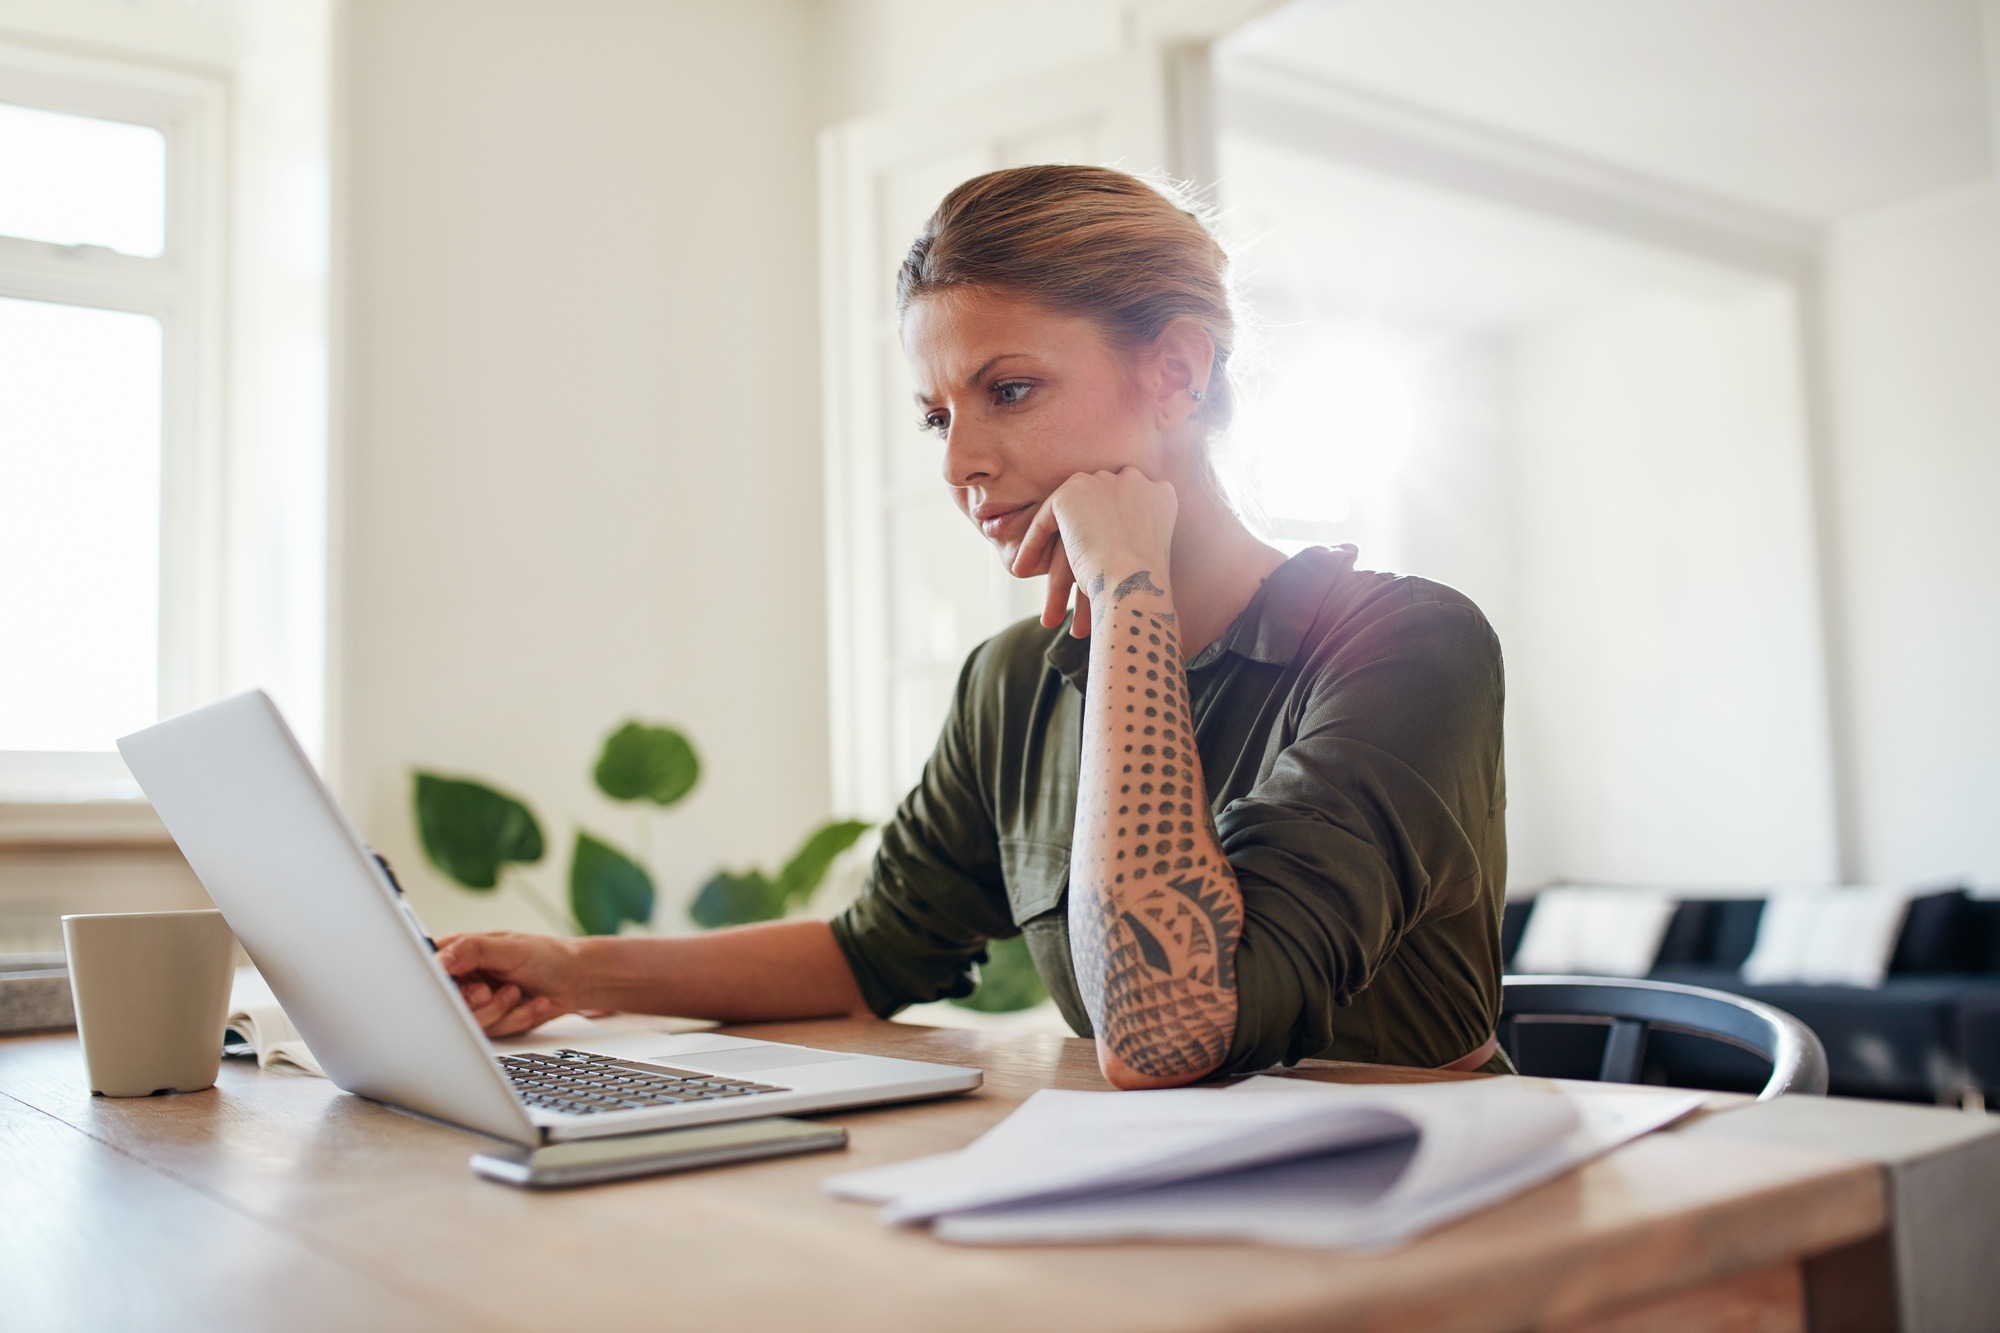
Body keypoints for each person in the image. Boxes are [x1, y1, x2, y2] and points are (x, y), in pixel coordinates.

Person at [437, 165, 1510, 1088]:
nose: (957, 465)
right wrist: (575, 973)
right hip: (1168, 1197)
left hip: (1436, 1207)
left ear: (1174, 373)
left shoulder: (1408, 646)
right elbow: (871, 955)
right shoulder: (1013, 680)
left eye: (1009, 390)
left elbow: (1165, 1034)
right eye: (936, 416)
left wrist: (1128, 586)